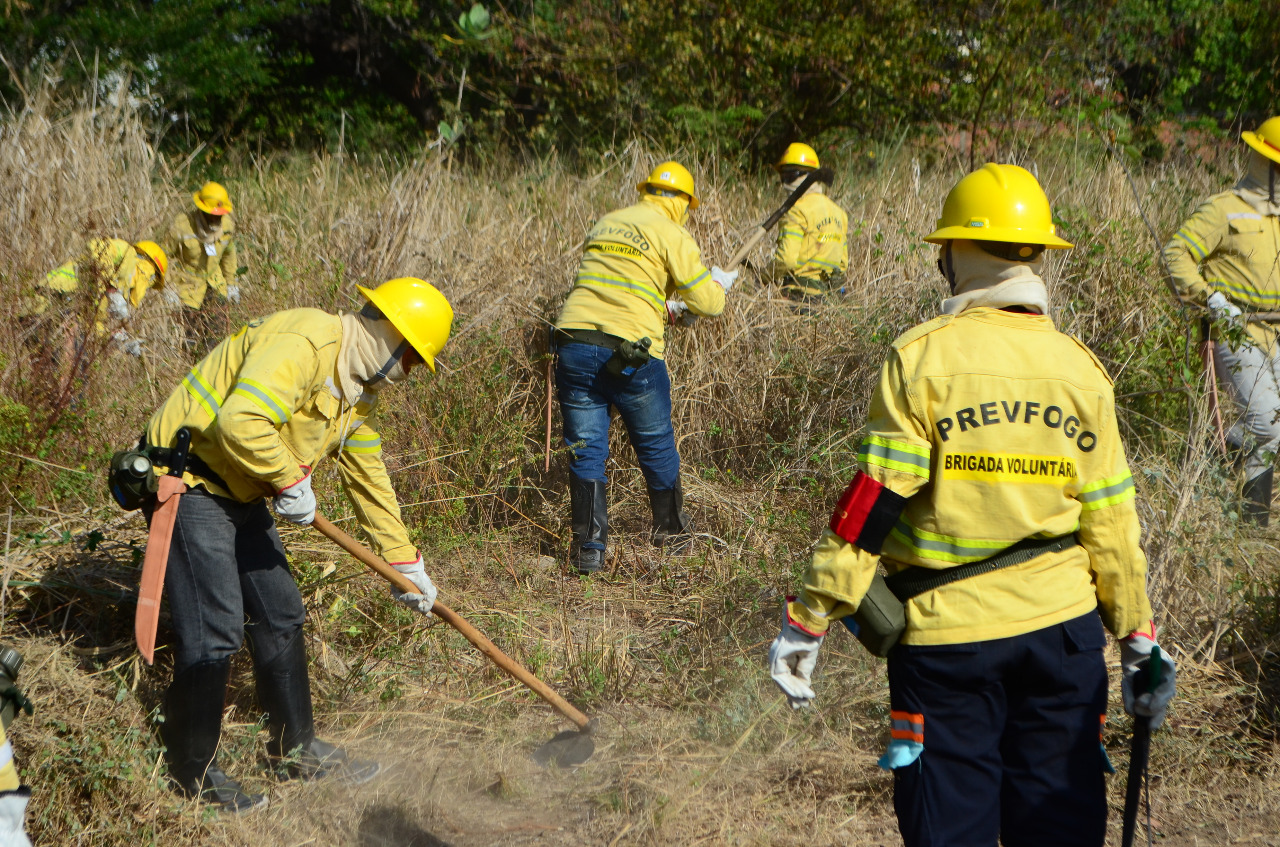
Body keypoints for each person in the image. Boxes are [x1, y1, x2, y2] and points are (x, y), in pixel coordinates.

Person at [768, 164, 1176, 847]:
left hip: (946, 648)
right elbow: (1113, 527)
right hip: (1064, 640)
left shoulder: (921, 358)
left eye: (945, 247)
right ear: (1037, 253)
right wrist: (1139, 641)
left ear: (961, 252)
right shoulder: (1082, 369)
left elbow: (872, 507)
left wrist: (809, 619)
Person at [141, 277, 452, 812]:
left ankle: (296, 749)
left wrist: (405, 561)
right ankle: (191, 772)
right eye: (415, 361)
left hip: (240, 488)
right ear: (394, 339)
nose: (412, 374)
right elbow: (241, 421)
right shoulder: (310, 342)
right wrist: (289, 479)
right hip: (191, 481)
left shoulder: (353, 388)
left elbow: (368, 475)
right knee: (216, 627)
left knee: (280, 612)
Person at [552, 161, 735, 574]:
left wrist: (667, 307)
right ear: (684, 202)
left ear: (647, 191)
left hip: (575, 343)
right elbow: (708, 303)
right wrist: (718, 285)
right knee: (654, 444)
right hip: (633, 351)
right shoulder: (672, 231)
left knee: (586, 449)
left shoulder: (608, 222)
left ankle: (589, 551)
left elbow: (621, 284)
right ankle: (672, 536)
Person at [1164, 116, 1280, 525]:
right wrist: (1211, 299)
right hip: (1234, 328)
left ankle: (1217, 452)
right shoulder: (1223, 208)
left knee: (1267, 430)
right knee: (1266, 425)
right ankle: (1251, 529)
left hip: (1277, 330)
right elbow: (1176, 254)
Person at [31, 238, 168, 357]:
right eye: (152, 280)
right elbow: (98, 247)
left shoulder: (121, 291)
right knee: (70, 370)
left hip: (51, 315)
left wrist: (114, 338)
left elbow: (92, 324)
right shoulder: (127, 252)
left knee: (71, 376)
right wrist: (112, 288)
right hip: (54, 299)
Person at [162, 181, 242, 348]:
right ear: (202, 210)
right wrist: (168, 287)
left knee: (216, 339)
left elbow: (229, 254)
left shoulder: (227, 226)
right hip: (187, 289)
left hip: (215, 284)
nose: (216, 218)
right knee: (189, 341)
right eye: (212, 214)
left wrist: (232, 283)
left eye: (219, 215)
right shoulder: (182, 226)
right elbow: (164, 257)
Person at [767, 143, 848, 302]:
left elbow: (787, 259)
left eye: (788, 176)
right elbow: (843, 263)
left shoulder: (795, 211)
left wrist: (766, 274)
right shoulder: (839, 213)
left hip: (800, 299)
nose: (784, 182)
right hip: (832, 301)